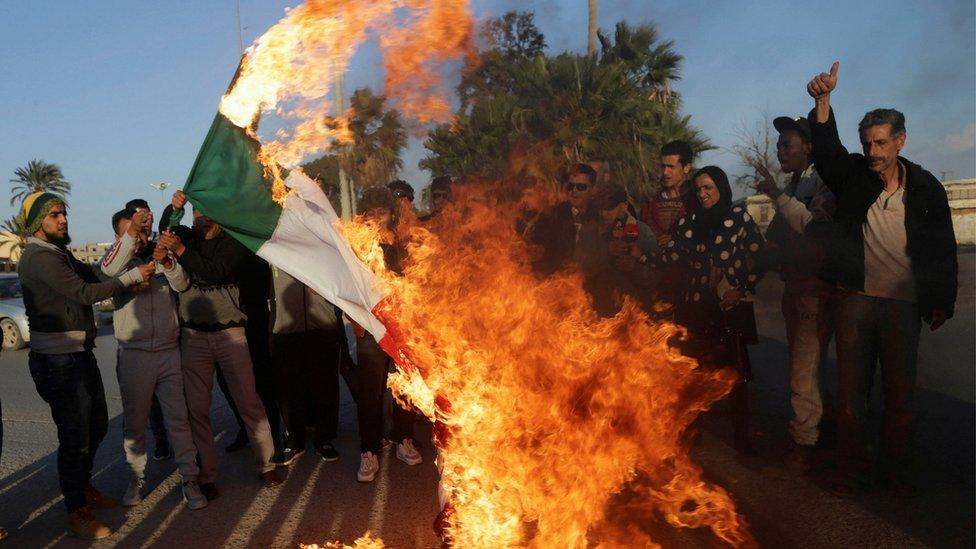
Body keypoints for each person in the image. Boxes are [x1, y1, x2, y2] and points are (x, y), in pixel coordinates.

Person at [805, 62, 957, 494]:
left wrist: (941, 299)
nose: (873, 152)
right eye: (867, 143)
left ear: (901, 140)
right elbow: (828, 154)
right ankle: (852, 469)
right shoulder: (854, 177)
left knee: (900, 398)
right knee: (852, 395)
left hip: (903, 306)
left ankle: (896, 472)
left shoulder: (926, 187)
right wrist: (822, 102)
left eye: (881, 142)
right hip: (855, 300)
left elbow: (942, 248)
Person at [17, 192, 153, 539]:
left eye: (63, 213)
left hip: (78, 354)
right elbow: (84, 293)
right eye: (54, 216)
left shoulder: (58, 253)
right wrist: (133, 277)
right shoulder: (37, 257)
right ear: (37, 223)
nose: (63, 220)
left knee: (96, 427)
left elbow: (96, 273)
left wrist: (128, 239)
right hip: (57, 361)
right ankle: (76, 509)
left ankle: (82, 485)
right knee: (75, 436)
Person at [158, 191, 281, 499]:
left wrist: (183, 250)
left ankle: (266, 464)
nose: (201, 217)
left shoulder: (232, 243)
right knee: (197, 409)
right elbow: (166, 231)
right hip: (194, 337)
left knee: (248, 401)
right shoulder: (187, 237)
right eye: (196, 212)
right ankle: (207, 475)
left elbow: (215, 271)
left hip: (231, 335)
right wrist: (174, 209)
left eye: (206, 211)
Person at [99, 208, 207, 510]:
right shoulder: (116, 261)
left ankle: (189, 478)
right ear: (119, 235)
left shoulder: (158, 253)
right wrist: (131, 255)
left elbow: (182, 284)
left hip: (168, 351)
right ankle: (137, 478)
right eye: (131, 232)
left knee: (178, 420)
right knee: (134, 424)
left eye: (142, 231)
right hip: (134, 355)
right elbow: (108, 271)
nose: (140, 237)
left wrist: (167, 262)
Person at [655, 167, 766, 453]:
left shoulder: (738, 218)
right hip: (695, 309)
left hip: (729, 309)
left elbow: (762, 257)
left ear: (721, 189)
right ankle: (691, 433)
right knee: (693, 374)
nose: (703, 194)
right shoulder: (690, 222)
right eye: (699, 189)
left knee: (736, 376)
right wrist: (641, 256)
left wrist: (741, 287)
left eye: (709, 188)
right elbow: (672, 256)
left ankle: (742, 438)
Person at [754, 116, 837, 468]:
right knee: (807, 365)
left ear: (809, 147)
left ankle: (806, 442)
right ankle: (821, 429)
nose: (780, 150)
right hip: (797, 289)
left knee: (804, 368)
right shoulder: (794, 183)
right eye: (779, 144)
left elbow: (812, 229)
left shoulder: (822, 182)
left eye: (787, 144)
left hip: (814, 291)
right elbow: (777, 237)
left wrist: (775, 195)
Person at [355, 187, 423, 482]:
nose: (376, 219)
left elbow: (415, 281)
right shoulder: (355, 245)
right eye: (370, 213)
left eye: (381, 213)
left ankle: (402, 439)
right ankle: (368, 451)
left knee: (404, 388)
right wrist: (356, 319)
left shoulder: (402, 243)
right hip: (371, 329)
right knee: (370, 393)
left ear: (390, 214)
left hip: (402, 327)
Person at [269, 267, 344, 465]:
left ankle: (325, 439)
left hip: (323, 324)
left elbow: (340, 277)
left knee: (325, 386)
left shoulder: (322, 238)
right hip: (284, 327)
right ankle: (294, 441)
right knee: (289, 389)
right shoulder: (272, 240)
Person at [124, 198, 172, 461]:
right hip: (139, 343)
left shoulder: (160, 243)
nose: (147, 217)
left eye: (149, 213)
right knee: (150, 401)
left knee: (176, 400)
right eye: (140, 214)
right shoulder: (126, 248)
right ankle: (161, 441)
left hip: (168, 337)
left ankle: (189, 456)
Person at [576, 183, 658, 315]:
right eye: (600, 208)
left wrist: (635, 268)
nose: (604, 214)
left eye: (609, 208)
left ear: (624, 206)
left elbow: (656, 277)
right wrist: (606, 252)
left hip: (634, 314)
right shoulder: (589, 231)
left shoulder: (642, 232)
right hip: (597, 311)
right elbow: (577, 270)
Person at [530, 163, 599, 274]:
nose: (574, 191)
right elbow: (538, 249)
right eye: (571, 186)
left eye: (581, 187)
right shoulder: (551, 215)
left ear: (593, 189)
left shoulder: (601, 216)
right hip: (558, 282)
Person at [640, 141, 697, 247]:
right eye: (663, 166)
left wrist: (678, 239)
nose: (665, 172)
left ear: (686, 167)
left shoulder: (698, 199)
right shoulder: (649, 205)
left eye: (671, 167)